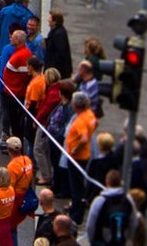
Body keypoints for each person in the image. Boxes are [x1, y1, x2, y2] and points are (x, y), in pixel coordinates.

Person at [65, 91, 97, 224]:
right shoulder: (90, 114)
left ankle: (76, 215)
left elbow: (83, 139)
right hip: (84, 155)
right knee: (79, 186)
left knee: (76, 187)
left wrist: (74, 149)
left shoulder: (81, 121)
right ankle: (77, 209)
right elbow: (95, 124)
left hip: (77, 157)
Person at [86, 169, 137, 246]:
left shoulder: (99, 200)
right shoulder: (128, 199)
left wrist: (92, 241)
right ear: (121, 182)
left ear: (107, 182)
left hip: (102, 241)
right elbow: (134, 222)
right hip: (121, 241)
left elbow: (90, 225)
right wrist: (128, 239)